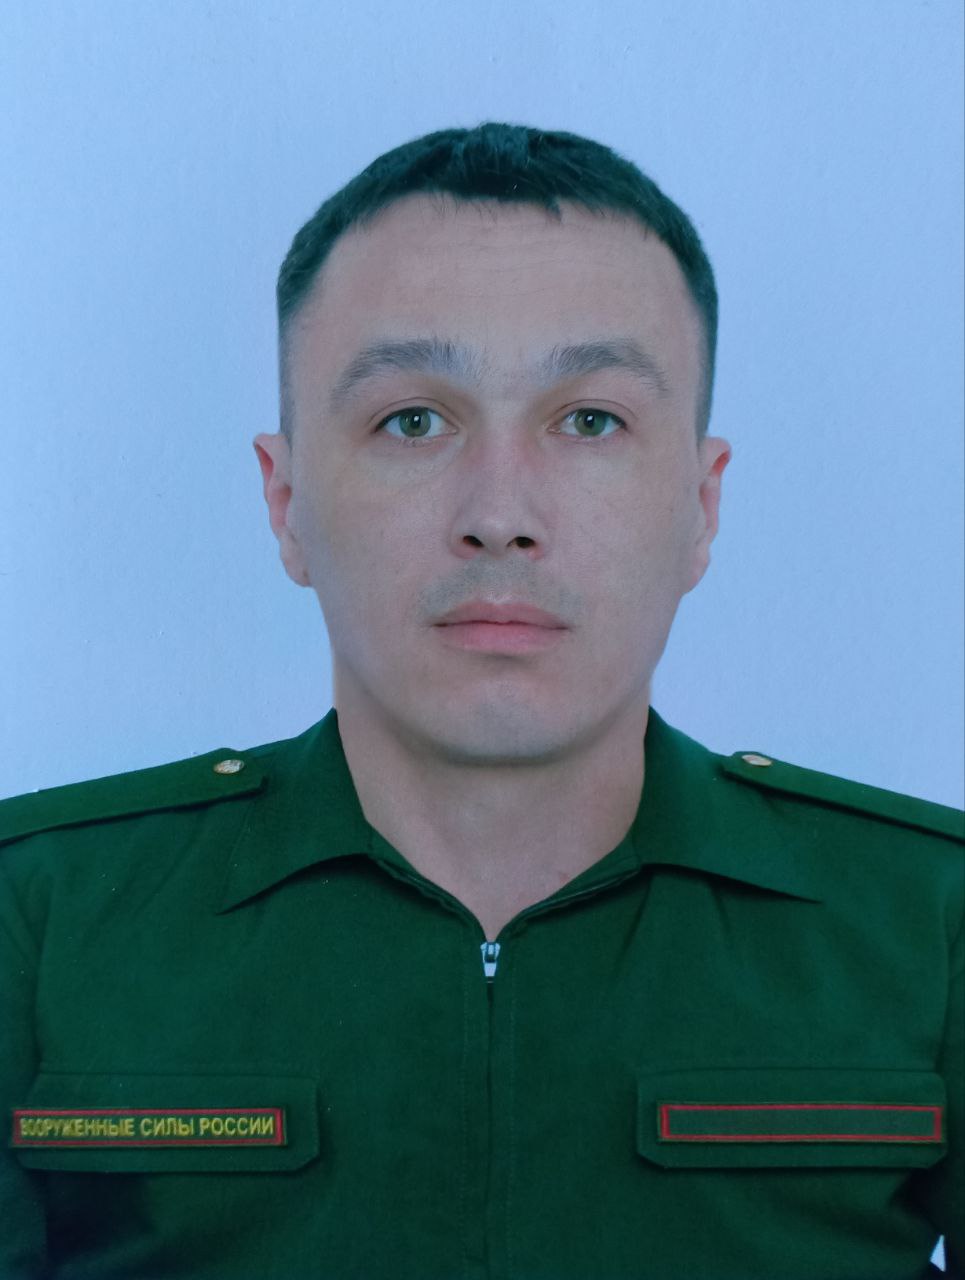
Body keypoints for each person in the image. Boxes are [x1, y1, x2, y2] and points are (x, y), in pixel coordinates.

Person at [1, 122, 961, 1280]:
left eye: (590, 419)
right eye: (412, 419)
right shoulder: (36, 918)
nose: (499, 514)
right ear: (285, 498)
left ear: (700, 506)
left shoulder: (931, 921)